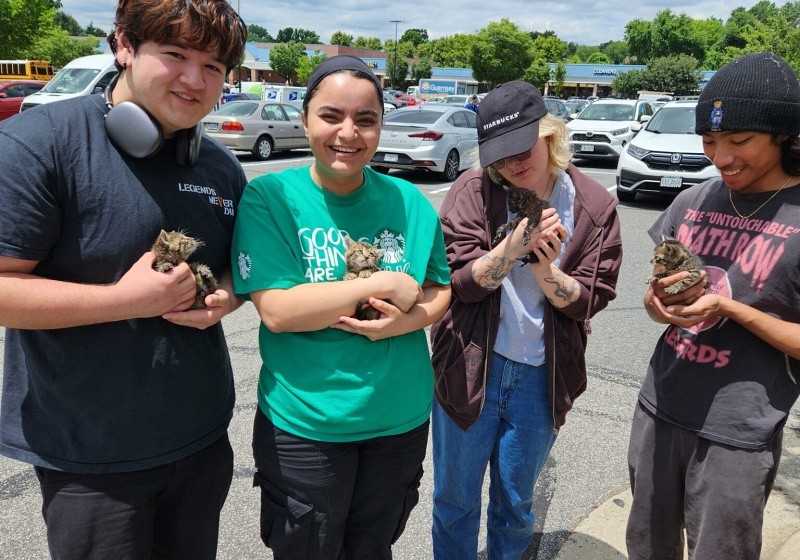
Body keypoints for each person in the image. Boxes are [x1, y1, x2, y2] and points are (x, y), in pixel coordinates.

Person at [0, 1, 247, 558]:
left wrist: (229, 294)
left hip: (201, 441)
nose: (194, 79)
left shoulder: (219, 167)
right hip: (88, 458)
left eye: (213, 66)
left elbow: (239, 263)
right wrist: (123, 301)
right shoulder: (41, 144)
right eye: (176, 54)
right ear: (125, 47)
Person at [230, 55, 452, 559]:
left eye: (366, 120)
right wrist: (387, 282)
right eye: (331, 116)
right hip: (308, 424)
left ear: (380, 127)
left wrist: (404, 320)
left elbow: (440, 289)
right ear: (305, 118)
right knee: (306, 548)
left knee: (373, 548)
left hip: (399, 419)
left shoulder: (410, 201)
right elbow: (280, 311)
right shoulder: (271, 197)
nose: (347, 133)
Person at [429, 80, 623, 559]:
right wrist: (511, 249)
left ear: (549, 133)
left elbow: (588, 301)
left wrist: (543, 266)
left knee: (515, 505)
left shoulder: (593, 206)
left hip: (542, 376)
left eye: (521, 146)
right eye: (499, 153)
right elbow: (460, 283)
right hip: (472, 365)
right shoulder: (473, 190)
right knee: (454, 502)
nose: (513, 163)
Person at [626, 51, 800, 560]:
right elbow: (654, 299)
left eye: (739, 141)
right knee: (647, 547)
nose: (720, 157)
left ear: (785, 135)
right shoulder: (693, 200)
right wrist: (660, 305)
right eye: (709, 141)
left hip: (740, 430)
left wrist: (730, 310)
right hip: (659, 404)